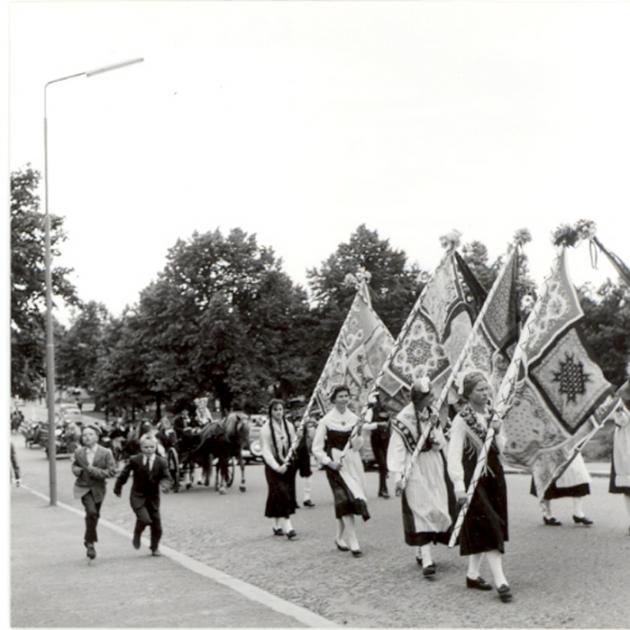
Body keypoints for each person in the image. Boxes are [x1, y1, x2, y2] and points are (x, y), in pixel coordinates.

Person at [447, 371, 512, 603]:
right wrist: (458, 486)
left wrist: (497, 429)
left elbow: (501, 448)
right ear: (468, 393)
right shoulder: (462, 419)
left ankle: (472, 575)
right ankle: (501, 581)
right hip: (472, 478)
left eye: (486, 389)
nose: (485, 394)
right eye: (479, 390)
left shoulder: (494, 415)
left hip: (493, 477)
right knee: (490, 525)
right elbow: (453, 454)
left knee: (486, 526)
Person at [388, 378, 456, 577]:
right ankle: (427, 559)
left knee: (436, 506)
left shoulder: (432, 414)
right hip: (414, 465)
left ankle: (420, 549)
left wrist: (436, 437)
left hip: (433, 464)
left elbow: (440, 440)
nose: (434, 398)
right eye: (430, 396)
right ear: (421, 398)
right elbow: (397, 449)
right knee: (421, 508)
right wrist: (398, 476)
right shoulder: (403, 419)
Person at [312, 384, 369, 557]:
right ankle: (353, 541)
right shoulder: (326, 421)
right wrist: (328, 462)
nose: (344, 399)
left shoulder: (354, 419)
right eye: (340, 396)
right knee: (343, 500)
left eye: (346, 396)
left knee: (350, 501)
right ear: (334, 399)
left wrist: (359, 433)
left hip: (351, 464)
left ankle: (338, 538)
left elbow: (357, 447)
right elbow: (317, 448)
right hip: (335, 466)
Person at [114, 434, 172, 556]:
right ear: (141, 448)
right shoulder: (135, 460)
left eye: (152, 447)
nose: (149, 449)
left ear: (156, 447)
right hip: (137, 495)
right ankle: (137, 532)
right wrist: (118, 487)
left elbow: (167, 477)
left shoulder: (161, 462)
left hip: (153, 497)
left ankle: (154, 547)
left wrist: (165, 485)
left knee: (157, 525)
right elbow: (124, 474)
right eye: (146, 447)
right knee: (145, 519)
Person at [71, 425, 117, 560]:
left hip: (98, 489)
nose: (87, 437)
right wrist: (76, 470)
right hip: (83, 487)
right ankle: (91, 544)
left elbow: (111, 471)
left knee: (95, 515)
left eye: (90, 434)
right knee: (91, 512)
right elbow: (75, 465)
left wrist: (94, 471)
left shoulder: (106, 452)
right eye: (84, 435)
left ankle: (87, 539)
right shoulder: (79, 452)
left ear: (97, 437)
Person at [259, 399, 298, 539]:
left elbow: (294, 442)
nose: (278, 412)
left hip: (287, 464)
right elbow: (266, 450)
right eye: (275, 409)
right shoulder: (265, 429)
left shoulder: (289, 426)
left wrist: (293, 448)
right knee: (281, 493)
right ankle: (288, 527)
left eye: (280, 409)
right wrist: (276, 467)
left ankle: (276, 525)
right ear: (270, 411)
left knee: (279, 494)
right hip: (273, 466)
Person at [530, 452, 593, 526]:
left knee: (578, 476)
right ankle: (547, 515)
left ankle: (578, 513)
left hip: (569, 448)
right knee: (547, 479)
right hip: (548, 449)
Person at [610, 360, 630, 534]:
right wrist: (621, 413)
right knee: (628, 487)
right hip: (627, 441)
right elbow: (620, 421)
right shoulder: (623, 393)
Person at [366, 392, 391, 498]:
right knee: (382, 463)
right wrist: (378, 425)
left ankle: (382, 489)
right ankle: (383, 488)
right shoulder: (371, 411)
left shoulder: (389, 410)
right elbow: (366, 425)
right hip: (376, 439)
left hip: (387, 439)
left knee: (385, 465)